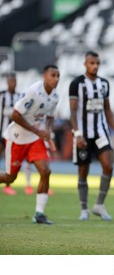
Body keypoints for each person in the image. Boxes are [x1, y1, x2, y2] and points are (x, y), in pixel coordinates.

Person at [0, 65, 60, 224]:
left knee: (46, 171)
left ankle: (39, 214)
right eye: (52, 75)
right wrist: (37, 130)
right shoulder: (33, 92)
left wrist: (47, 131)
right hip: (17, 137)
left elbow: (50, 117)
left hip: (34, 139)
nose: (56, 79)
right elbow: (14, 115)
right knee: (10, 177)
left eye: (58, 76)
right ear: (44, 76)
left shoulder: (55, 96)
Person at [69, 51, 114, 221]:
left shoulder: (104, 84)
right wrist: (77, 134)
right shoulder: (77, 83)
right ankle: (84, 209)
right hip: (83, 134)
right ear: (85, 64)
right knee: (83, 170)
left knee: (108, 166)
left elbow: (107, 109)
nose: (95, 66)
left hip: (101, 132)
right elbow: (73, 110)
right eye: (92, 63)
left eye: (97, 63)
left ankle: (99, 205)